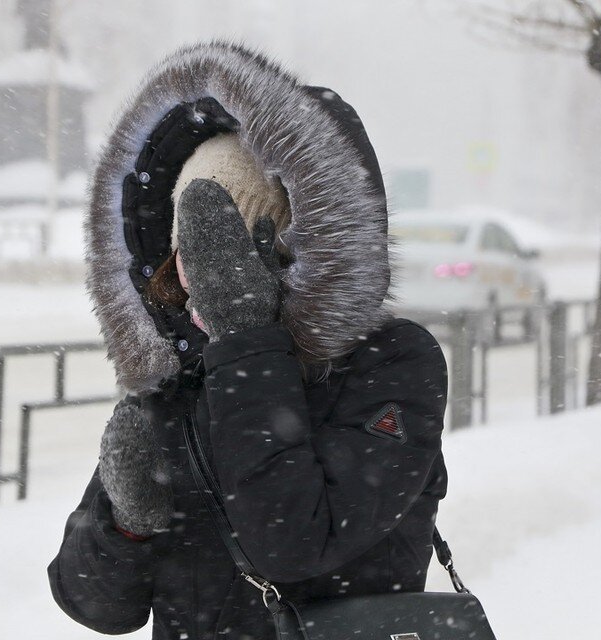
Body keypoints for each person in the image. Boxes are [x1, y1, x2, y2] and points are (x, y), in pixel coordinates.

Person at [47, 40, 448, 640]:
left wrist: (245, 336)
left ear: (290, 242)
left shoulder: (389, 362)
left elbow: (293, 543)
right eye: (188, 250)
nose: (197, 273)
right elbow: (98, 608)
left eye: (227, 247)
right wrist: (125, 522)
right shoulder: (179, 371)